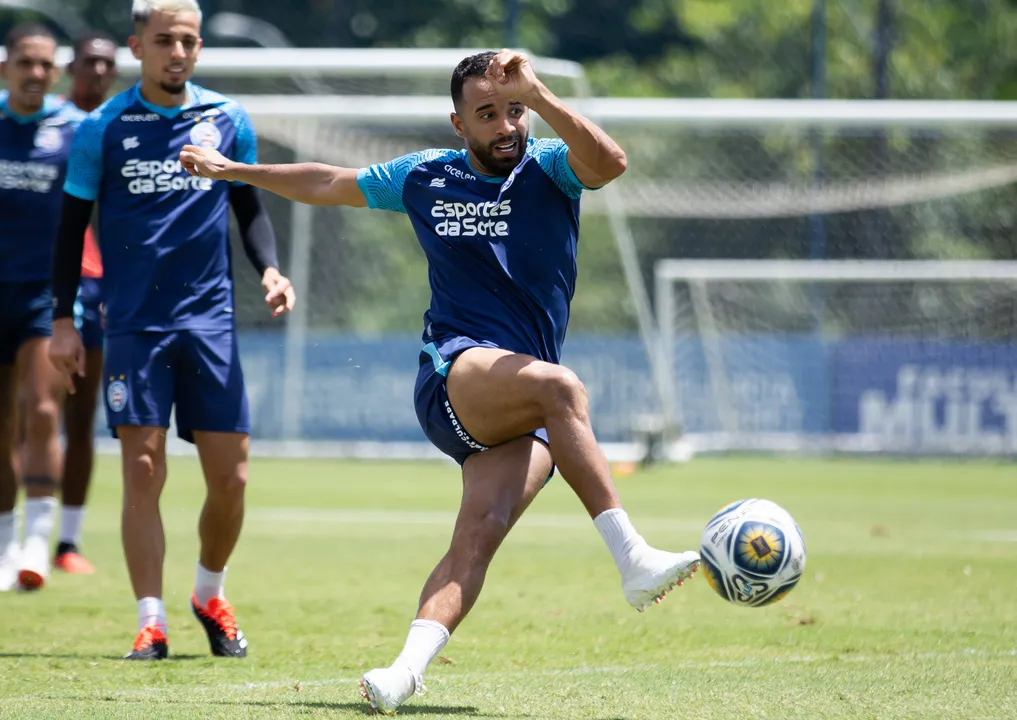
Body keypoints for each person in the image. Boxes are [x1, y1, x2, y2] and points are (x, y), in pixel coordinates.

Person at [180, 49, 700, 711]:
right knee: (563, 388)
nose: (506, 124)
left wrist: (537, 96)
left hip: (522, 400)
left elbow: (611, 164)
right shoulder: (425, 175)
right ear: (458, 123)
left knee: (479, 533)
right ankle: (631, 560)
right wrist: (234, 170)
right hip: (453, 374)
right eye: (487, 114)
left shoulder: (550, 168)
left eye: (513, 110)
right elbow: (326, 182)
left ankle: (400, 672)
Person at [49, 0, 295, 660]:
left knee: (232, 479)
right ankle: (150, 621)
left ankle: (208, 592)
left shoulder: (227, 119)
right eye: (164, 40)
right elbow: (70, 230)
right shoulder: (103, 127)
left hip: (209, 321)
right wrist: (62, 321)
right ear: (138, 46)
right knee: (143, 469)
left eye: (188, 40)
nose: (177, 51)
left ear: (199, 46)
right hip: (133, 324)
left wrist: (270, 269)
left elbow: (249, 207)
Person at [0, 24, 85, 592]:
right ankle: (6, 545)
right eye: (25, 62)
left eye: (44, 64)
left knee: (43, 409)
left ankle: (38, 539)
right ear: (7, 66)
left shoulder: (76, 129)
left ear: (56, 72)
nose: (35, 73)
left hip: (46, 295)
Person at [53, 30, 119, 575]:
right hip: (36, 283)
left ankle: (66, 543)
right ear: (69, 67)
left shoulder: (124, 128)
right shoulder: (46, 125)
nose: (97, 72)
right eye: (88, 63)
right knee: (33, 410)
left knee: (80, 414)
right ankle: (21, 537)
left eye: (106, 63)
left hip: (100, 286)